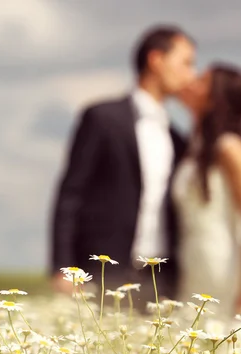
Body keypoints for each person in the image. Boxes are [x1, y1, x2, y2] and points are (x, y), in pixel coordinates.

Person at [49, 24, 196, 309]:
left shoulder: (178, 138)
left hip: (162, 278)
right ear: (156, 60)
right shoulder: (102, 118)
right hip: (104, 271)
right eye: (186, 63)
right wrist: (63, 266)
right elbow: (71, 193)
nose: (191, 74)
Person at [173, 64, 241, 317]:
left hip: (224, 263)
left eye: (202, 80)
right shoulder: (194, 147)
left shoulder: (230, 148)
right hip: (193, 261)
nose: (191, 81)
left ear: (216, 97)